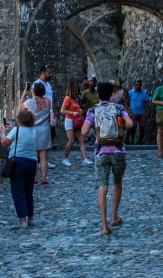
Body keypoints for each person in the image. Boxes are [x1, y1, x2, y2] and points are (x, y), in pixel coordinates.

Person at [82, 81, 134, 236]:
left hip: (101, 152)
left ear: (98, 94)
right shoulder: (119, 108)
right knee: (117, 182)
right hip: (118, 151)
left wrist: (96, 128)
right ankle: (114, 216)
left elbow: (84, 131)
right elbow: (130, 124)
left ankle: (104, 226)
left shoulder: (92, 111)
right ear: (112, 93)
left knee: (102, 187)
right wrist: (121, 127)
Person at [0, 109, 39, 228]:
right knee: (28, 192)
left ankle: (22, 220)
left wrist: (3, 132)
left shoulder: (16, 130)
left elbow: (5, 142)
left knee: (18, 192)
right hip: (31, 163)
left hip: (18, 162)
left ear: (20, 120)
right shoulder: (33, 131)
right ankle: (31, 218)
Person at [22, 82, 53, 184]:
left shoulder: (30, 102)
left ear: (34, 91)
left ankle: (34, 178)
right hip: (45, 130)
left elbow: (20, 106)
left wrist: (25, 93)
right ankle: (44, 178)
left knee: (34, 156)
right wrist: (33, 93)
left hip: (33, 130)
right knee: (44, 156)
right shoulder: (48, 101)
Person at [60, 81, 91, 166]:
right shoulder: (67, 98)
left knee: (81, 139)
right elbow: (62, 110)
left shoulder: (76, 98)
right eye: (76, 87)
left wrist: (79, 111)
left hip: (77, 120)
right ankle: (65, 158)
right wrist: (72, 113)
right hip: (69, 120)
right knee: (71, 140)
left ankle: (85, 158)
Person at [34, 65, 57, 142]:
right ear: (43, 73)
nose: (50, 75)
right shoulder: (36, 84)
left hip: (49, 113)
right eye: (49, 73)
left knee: (52, 134)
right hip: (41, 113)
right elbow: (35, 99)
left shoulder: (49, 85)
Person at [128, 79, 150, 145]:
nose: (138, 86)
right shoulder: (130, 93)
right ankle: (132, 140)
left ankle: (140, 140)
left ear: (141, 85)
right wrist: (128, 111)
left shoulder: (144, 93)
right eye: (136, 85)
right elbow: (127, 102)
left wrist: (148, 112)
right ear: (134, 85)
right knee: (133, 127)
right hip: (133, 113)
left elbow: (147, 103)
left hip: (142, 113)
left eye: (139, 85)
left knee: (142, 127)